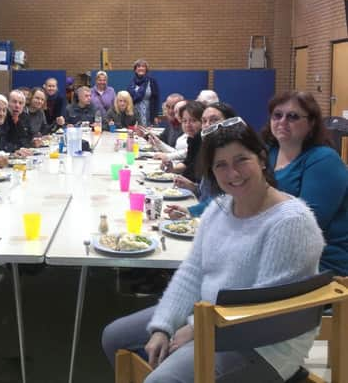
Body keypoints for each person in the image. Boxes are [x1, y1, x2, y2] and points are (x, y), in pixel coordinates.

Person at [102, 118, 325, 383]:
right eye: (221, 165)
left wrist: (195, 329)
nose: (233, 173)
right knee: (114, 337)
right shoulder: (219, 209)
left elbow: (264, 307)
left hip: (263, 344)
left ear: (262, 159)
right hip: (209, 318)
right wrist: (164, 325)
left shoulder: (290, 222)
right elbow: (191, 273)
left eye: (241, 160)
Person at [262, 91, 348, 276]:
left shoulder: (325, 160)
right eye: (277, 115)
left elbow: (307, 223)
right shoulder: (268, 152)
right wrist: (194, 212)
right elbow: (240, 192)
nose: (282, 121)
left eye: (292, 116)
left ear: (311, 124)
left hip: (320, 261)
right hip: (274, 247)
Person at [165, 102, 238, 219]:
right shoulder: (210, 149)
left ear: (229, 122)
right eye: (204, 121)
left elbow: (223, 200)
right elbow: (208, 192)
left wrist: (190, 211)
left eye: (214, 120)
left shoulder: (231, 155)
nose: (207, 125)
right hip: (205, 212)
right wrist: (193, 187)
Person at [161, 101, 205, 182]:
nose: (188, 125)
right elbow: (187, 163)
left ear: (203, 122)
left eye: (193, 120)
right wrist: (172, 169)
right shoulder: (192, 139)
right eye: (184, 121)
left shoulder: (203, 142)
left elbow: (196, 176)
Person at [0, 89, 38, 154]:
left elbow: (27, 138)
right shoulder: (1, 117)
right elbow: (1, 144)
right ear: (7, 103)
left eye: (20, 103)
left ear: (23, 106)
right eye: (14, 102)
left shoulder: (25, 117)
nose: (17, 106)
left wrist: (34, 141)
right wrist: (16, 149)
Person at [127, 59, 160, 126]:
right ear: (135, 69)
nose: (141, 68)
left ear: (146, 69)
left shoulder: (152, 81)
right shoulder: (131, 83)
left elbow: (156, 99)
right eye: (138, 66)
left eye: (143, 66)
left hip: (149, 113)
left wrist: (155, 116)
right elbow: (128, 100)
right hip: (135, 113)